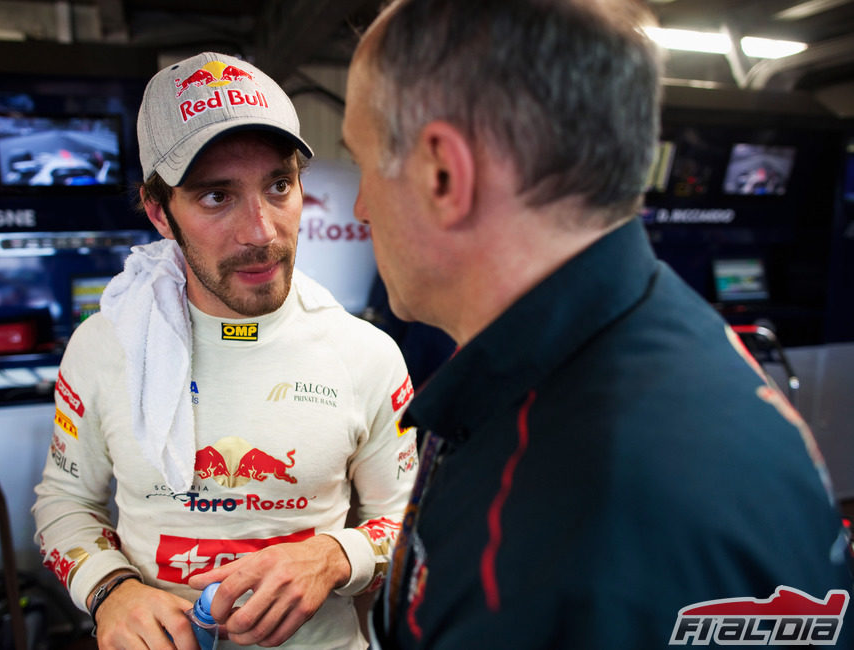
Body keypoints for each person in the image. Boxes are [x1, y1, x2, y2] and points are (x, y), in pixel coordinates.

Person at [341, 0, 854, 647]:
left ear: (442, 173)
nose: (359, 207)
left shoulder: (549, 542)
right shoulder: (659, 336)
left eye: (361, 161)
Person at [33, 51, 418, 650]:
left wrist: (334, 556)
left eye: (278, 185)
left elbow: (412, 523)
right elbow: (64, 500)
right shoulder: (107, 344)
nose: (261, 232)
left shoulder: (364, 353)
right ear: (160, 212)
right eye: (217, 197)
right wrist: (111, 590)